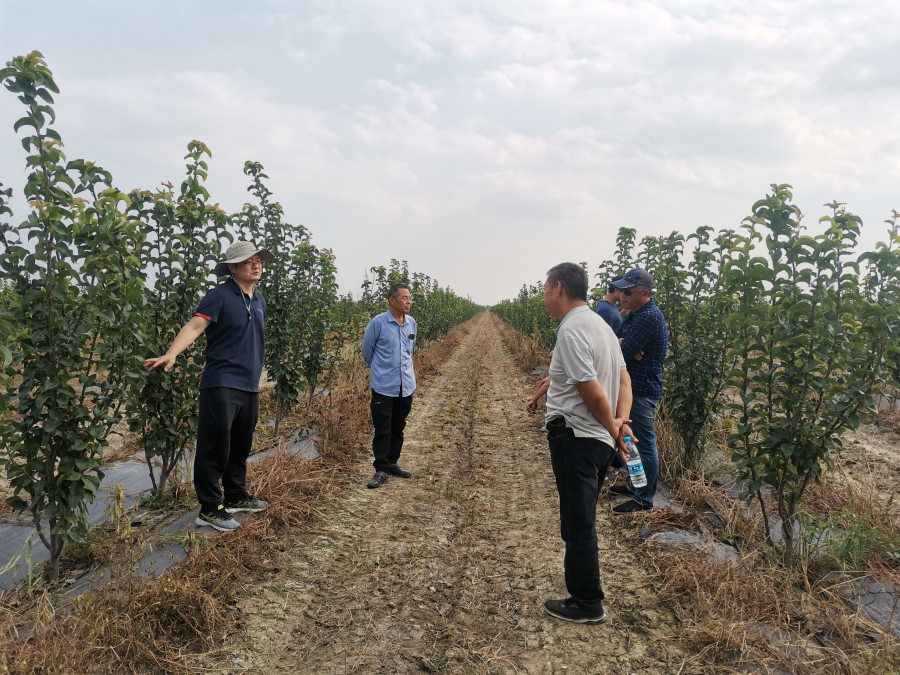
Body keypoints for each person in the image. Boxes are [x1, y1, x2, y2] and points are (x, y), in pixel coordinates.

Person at [145, 240, 274, 532]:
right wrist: (172, 353)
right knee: (215, 448)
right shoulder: (219, 295)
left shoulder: (259, 299)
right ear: (232, 268)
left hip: (249, 384)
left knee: (240, 446)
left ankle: (236, 496)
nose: (256, 265)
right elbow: (195, 325)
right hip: (222, 382)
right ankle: (209, 509)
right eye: (248, 261)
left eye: (258, 260)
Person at [539, 262, 634, 625]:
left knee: (578, 523)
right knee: (583, 518)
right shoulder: (602, 326)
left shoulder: (573, 329)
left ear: (558, 288)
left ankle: (587, 603)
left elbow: (590, 390)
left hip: (577, 437)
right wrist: (620, 423)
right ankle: (582, 594)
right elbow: (623, 380)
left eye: (545, 288)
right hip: (598, 440)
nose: (544, 296)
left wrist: (614, 426)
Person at [609, 268, 668, 514]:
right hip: (632, 389)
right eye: (621, 291)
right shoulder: (636, 313)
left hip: (642, 390)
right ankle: (635, 484)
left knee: (643, 445)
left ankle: (644, 499)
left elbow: (619, 351)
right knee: (629, 440)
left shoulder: (648, 317)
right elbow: (615, 342)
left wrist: (622, 346)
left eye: (628, 291)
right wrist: (620, 344)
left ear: (644, 293)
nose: (622, 295)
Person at [362, 283, 418, 489]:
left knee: (398, 426)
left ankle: (393, 463)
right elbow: (367, 351)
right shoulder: (378, 323)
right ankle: (381, 469)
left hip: (406, 385)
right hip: (384, 386)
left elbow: (410, 349)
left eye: (410, 298)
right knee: (382, 428)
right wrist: (381, 369)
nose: (409, 302)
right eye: (405, 298)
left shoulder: (411, 323)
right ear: (392, 300)